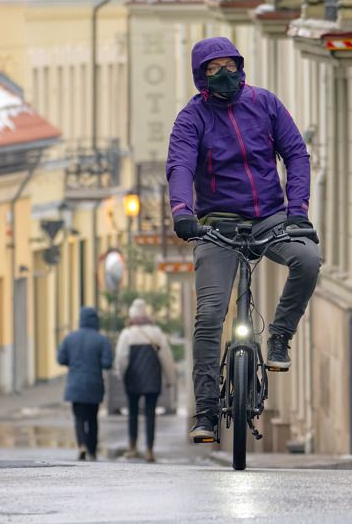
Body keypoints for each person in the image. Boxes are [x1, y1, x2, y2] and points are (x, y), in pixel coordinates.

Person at [165, 36, 321, 442]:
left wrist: (297, 210)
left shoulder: (265, 104)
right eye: (213, 69)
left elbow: (297, 153)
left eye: (229, 66)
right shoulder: (191, 119)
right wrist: (182, 211)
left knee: (307, 261)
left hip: (270, 218)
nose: (224, 75)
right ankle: (205, 414)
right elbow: (180, 164)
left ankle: (281, 336)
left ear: (240, 66)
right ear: (201, 76)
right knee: (210, 314)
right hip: (216, 224)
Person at [114, 298, 176, 462]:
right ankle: (149, 450)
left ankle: (132, 447)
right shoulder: (156, 332)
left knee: (132, 413)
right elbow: (166, 357)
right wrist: (171, 379)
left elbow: (121, 358)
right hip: (152, 379)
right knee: (150, 414)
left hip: (133, 379)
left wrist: (121, 374)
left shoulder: (127, 334)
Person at [57, 306, 112, 461]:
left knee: (79, 418)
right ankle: (92, 451)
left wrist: (73, 362)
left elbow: (61, 359)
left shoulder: (70, 338)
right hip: (94, 385)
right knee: (93, 418)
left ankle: (81, 445)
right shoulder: (101, 340)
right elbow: (107, 363)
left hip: (75, 384)